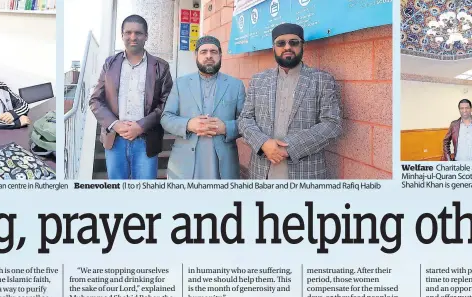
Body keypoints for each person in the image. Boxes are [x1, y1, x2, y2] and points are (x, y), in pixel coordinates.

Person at [238, 23, 342, 180]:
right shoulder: (258, 80)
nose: (287, 47)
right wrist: (263, 143)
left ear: (302, 46)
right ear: (273, 47)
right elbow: (245, 119)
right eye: (281, 43)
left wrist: (290, 148)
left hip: (306, 173)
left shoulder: (322, 80)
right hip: (261, 173)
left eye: (294, 42)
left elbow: (332, 124)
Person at [89, 14, 172, 180]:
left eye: (138, 33)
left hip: (146, 140)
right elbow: (96, 100)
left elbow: (167, 103)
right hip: (115, 140)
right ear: (122, 35)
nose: (133, 37)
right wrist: (115, 124)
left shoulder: (160, 67)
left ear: (146, 36)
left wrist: (141, 126)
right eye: (128, 33)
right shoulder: (110, 64)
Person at [161, 35, 245, 180]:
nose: (209, 56)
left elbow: (246, 122)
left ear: (220, 55)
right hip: (185, 163)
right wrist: (188, 124)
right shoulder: (181, 83)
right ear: (196, 55)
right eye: (203, 52)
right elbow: (166, 117)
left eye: (213, 52)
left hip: (223, 164)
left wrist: (226, 127)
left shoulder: (235, 85)